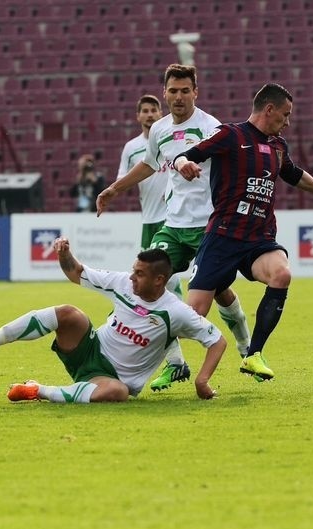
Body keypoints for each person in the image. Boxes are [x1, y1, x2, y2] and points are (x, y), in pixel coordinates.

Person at [173, 83, 313, 381]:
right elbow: (187, 154)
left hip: (258, 239)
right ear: (268, 109)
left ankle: (253, 355)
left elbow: (295, 175)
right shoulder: (230, 135)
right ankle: (137, 349)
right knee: (192, 317)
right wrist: (184, 164)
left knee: (281, 274)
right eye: (285, 115)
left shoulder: (278, 146)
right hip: (222, 237)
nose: (287, 122)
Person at [97, 64, 251, 390]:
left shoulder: (212, 128)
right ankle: (176, 362)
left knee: (220, 292)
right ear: (165, 93)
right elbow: (149, 165)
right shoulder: (159, 129)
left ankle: (245, 345)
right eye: (173, 91)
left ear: (196, 92)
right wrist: (115, 189)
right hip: (174, 224)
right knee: (149, 286)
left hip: (209, 225)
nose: (178, 97)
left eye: (185, 91)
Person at [0, 238, 227, 402]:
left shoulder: (176, 312)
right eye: (133, 270)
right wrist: (64, 254)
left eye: (140, 274)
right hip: (88, 349)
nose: (132, 276)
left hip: (108, 379)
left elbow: (217, 341)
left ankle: (36, 390)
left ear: (159, 280)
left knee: (118, 393)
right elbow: (76, 273)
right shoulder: (123, 283)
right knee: (68, 313)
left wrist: (201, 380)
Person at [116, 94, 167, 250]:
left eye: (153, 110)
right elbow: (122, 179)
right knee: (150, 269)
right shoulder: (131, 147)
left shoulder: (169, 140)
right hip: (149, 217)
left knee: (167, 264)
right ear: (138, 116)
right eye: (145, 111)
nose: (150, 114)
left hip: (172, 216)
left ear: (161, 114)